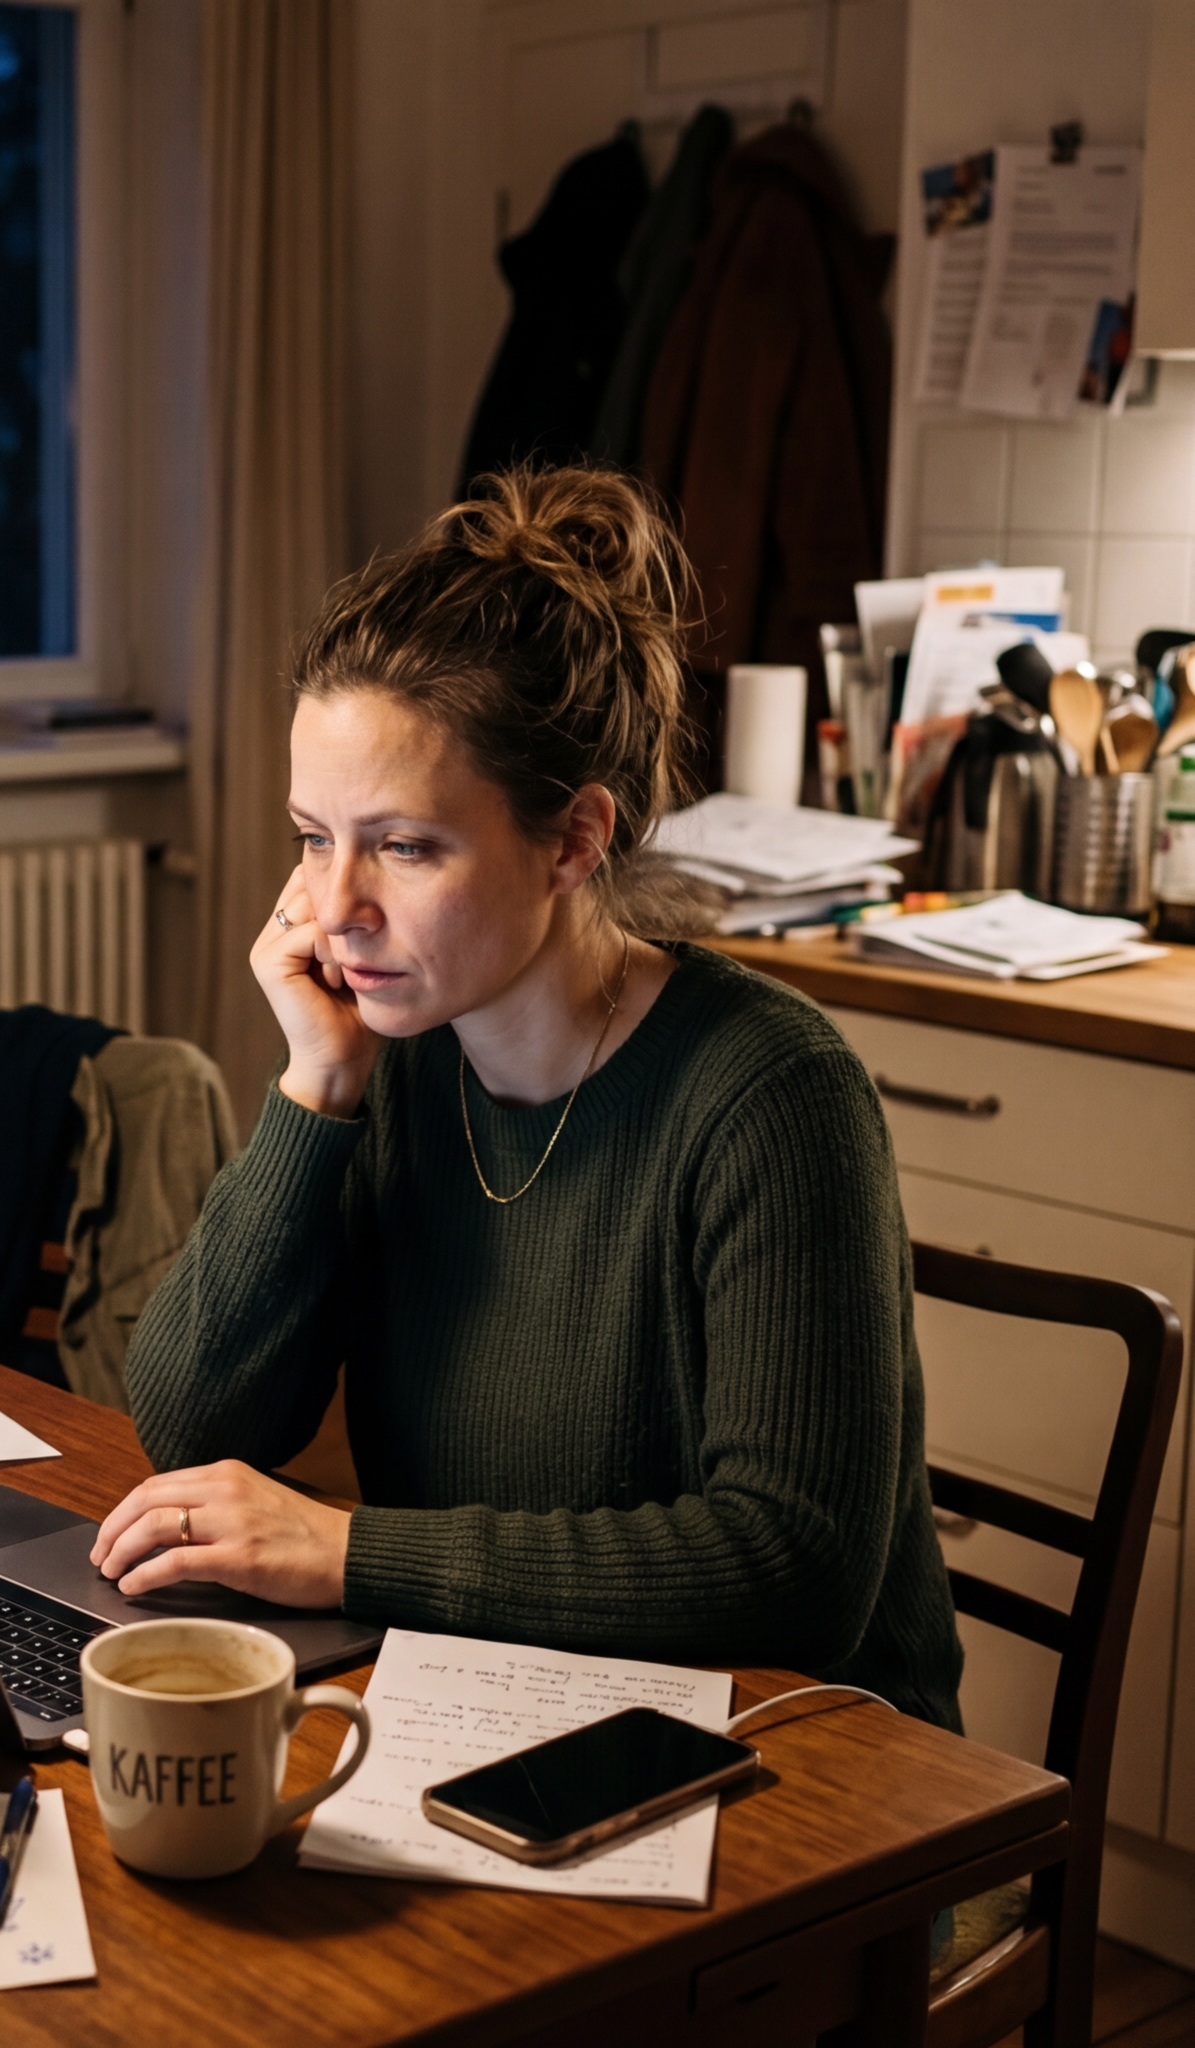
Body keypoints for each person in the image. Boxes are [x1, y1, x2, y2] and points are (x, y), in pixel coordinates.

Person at [90, 463, 963, 1729]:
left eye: (403, 845)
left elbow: (790, 1567)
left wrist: (347, 1551)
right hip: (502, 1699)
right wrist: (313, 1090)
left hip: (810, 1764)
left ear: (572, 840)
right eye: (312, 836)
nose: (334, 908)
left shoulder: (771, 1093)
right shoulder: (398, 1050)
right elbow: (191, 1419)